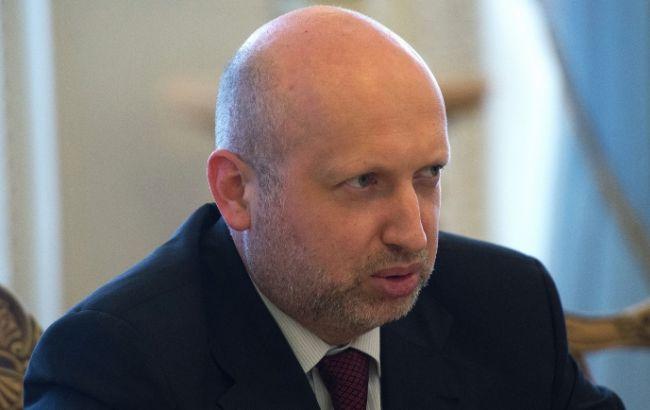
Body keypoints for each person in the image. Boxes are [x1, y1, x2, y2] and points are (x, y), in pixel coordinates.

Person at [24, 6, 623, 410]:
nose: (413, 234)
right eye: (364, 182)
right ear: (236, 190)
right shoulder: (116, 364)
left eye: (428, 176)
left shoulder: (506, 304)